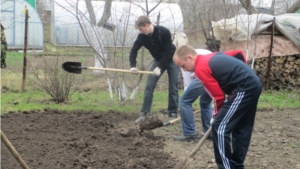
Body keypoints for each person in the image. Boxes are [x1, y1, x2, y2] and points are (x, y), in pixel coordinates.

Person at [173, 45, 262, 169]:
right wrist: (245, 71)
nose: (185, 70)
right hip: (253, 83)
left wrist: (216, 115)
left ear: (190, 57)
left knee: (219, 127)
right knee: (242, 127)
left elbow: (218, 96)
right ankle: (237, 166)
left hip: (243, 88)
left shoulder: (200, 68)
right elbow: (238, 53)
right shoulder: (210, 56)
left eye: (183, 65)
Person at [129, 16, 179, 123]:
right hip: (158, 60)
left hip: (172, 59)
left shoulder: (164, 32)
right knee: (149, 86)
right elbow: (134, 50)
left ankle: (173, 113)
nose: (140, 32)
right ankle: (144, 113)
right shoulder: (142, 36)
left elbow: (167, 52)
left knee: (173, 87)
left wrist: (159, 67)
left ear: (147, 25)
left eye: (141, 29)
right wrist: (133, 65)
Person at [174, 49, 213, 142]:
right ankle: (209, 132)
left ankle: (189, 133)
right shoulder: (195, 53)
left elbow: (188, 85)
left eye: (182, 66)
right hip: (215, 73)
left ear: (188, 58)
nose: (183, 69)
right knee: (205, 102)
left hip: (205, 73)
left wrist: (186, 101)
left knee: (184, 101)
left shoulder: (188, 59)